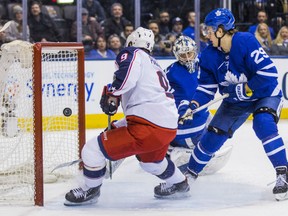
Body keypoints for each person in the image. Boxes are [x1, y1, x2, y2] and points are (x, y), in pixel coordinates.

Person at [64, 27, 190, 206]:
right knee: (151, 162)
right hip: (167, 127)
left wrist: (112, 93)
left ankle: (89, 189)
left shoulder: (132, 53)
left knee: (91, 151)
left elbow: (126, 79)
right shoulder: (152, 63)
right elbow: (148, 104)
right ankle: (179, 184)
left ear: (130, 42)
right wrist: (118, 125)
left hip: (147, 127)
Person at [178, 8, 288, 201]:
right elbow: (206, 88)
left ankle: (283, 173)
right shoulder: (209, 55)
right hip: (235, 102)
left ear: (221, 31)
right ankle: (189, 176)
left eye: (210, 31)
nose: (207, 35)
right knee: (213, 135)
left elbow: (268, 76)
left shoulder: (245, 41)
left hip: (265, 94)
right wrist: (193, 105)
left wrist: (241, 89)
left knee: (263, 124)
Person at [165, 35, 232, 174]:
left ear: (195, 51)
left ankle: (170, 147)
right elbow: (173, 99)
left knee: (212, 119)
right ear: (177, 55)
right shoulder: (171, 73)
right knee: (213, 136)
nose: (188, 58)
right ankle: (179, 148)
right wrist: (183, 108)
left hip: (194, 116)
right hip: (183, 127)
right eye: (183, 55)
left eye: (189, 53)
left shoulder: (202, 64)